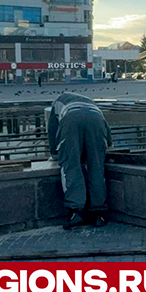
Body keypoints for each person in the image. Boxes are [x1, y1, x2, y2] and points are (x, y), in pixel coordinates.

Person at [47, 92, 112, 229]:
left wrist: (55, 154)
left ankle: (75, 212)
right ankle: (98, 214)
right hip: (97, 120)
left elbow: (53, 131)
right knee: (97, 168)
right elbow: (107, 135)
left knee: (71, 166)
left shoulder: (57, 103)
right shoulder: (91, 103)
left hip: (71, 119)